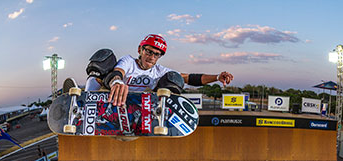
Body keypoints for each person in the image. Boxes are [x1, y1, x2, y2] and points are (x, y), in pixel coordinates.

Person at [84, 34, 234, 106]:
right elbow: (118, 72)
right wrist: (117, 82)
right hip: (111, 99)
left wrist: (217, 77)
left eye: (156, 54)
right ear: (140, 50)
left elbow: (190, 78)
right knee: (104, 57)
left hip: (137, 108)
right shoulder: (129, 61)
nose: (151, 57)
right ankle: (86, 100)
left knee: (174, 78)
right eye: (148, 52)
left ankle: (160, 115)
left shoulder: (159, 71)